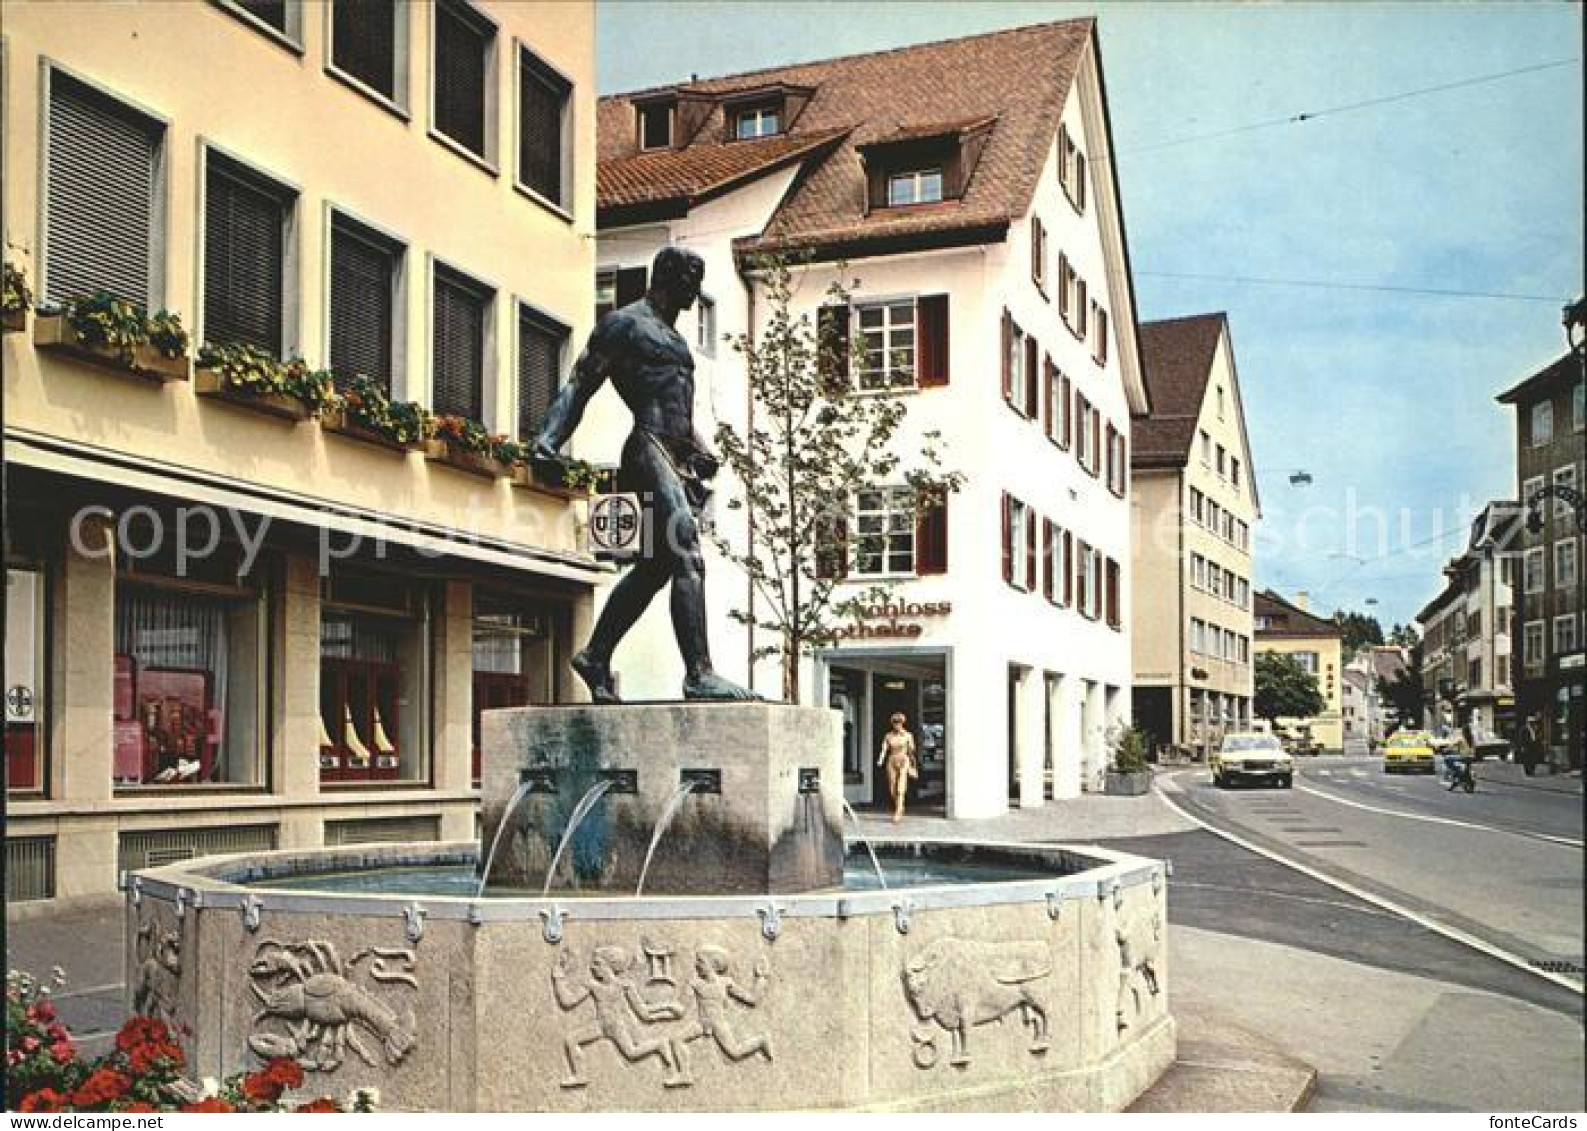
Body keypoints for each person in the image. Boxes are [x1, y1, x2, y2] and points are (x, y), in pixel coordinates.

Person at [533, 246, 755, 703]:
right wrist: (548, 440)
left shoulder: (673, 339)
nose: (696, 292)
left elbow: (680, 408)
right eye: (692, 280)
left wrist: (701, 450)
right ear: (669, 276)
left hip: (675, 454)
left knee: (656, 569)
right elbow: (580, 383)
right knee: (688, 555)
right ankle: (699, 673)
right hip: (646, 449)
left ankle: (595, 654)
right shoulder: (624, 324)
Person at [876, 712, 918, 823]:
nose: (897, 725)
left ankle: (898, 811)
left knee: (900, 786)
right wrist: (881, 759)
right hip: (892, 760)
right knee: (892, 788)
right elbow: (884, 749)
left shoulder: (908, 735)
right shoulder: (888, 736)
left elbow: (911, 752)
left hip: (904, 760)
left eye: (899, 723)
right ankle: (899, 805)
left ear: (902, 723)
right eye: (895, 723)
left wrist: (913, 765)